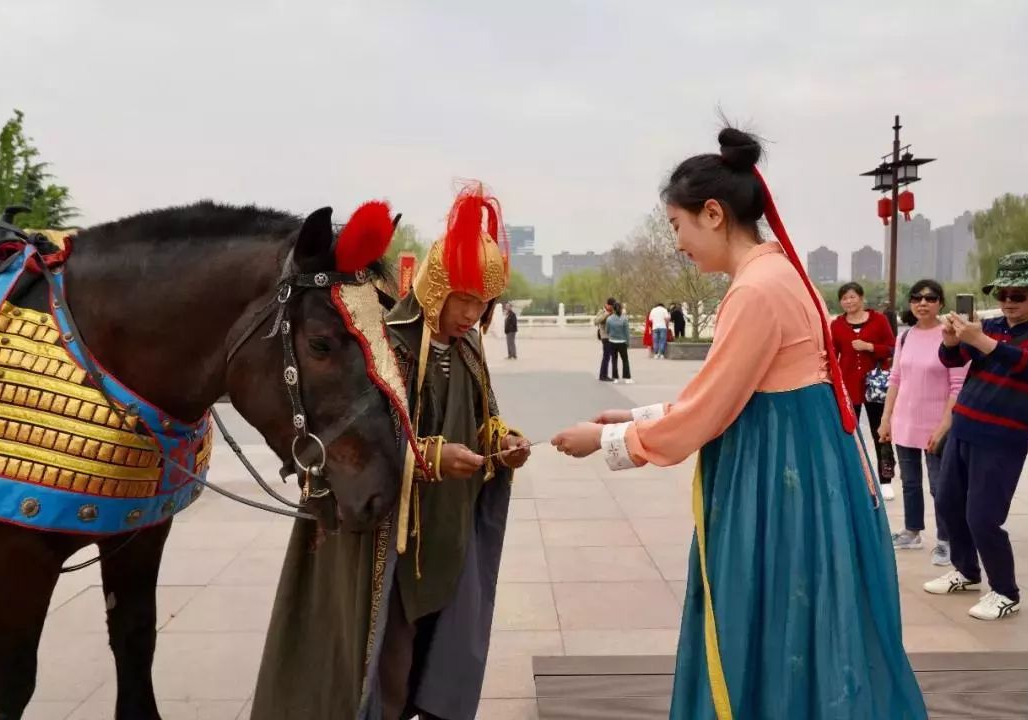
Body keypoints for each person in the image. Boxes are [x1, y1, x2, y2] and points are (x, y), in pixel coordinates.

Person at [551, 128, 925, 719]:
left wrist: (606, 439)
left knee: (770, 617)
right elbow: (738, 391)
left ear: (714, 213)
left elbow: (710, 412)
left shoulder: (754, 291)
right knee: (807, 626)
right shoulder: (781, 273)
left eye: (677, 226)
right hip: (809, 470)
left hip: (778, 482)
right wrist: (639, 414)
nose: (677, 243)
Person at [251, 182, 532, 720]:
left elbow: (482, 417)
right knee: (387, 669)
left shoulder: (469, 348)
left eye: (482, 302)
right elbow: (356, 445)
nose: (473, 313)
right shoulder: (386, 346)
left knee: (438, 654)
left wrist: (502, 443)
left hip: (447, 528)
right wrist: (428, 458)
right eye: (464, 299)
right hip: (387, 537)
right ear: (435, 289)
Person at [924, 252, 1028, 621]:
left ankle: (1005, 592)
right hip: (965, 427)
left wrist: (982, 341)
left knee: (983, 517)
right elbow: (953, 361)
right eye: (1003, 294)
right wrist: (950, 340)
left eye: (1017, 295)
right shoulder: (989, 326)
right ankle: (966, 570)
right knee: (947, 502)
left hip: (1003, 437)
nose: (1007, 302)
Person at [878, 280, 967, 564]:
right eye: (917, 298)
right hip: (905, 420)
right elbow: (895, 379)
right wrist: (886, 419)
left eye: (930, 298)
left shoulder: (951, 335)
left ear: (941, 302)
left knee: (940, 486)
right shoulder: (905, 337)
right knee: (911, 483)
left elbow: (958, 387)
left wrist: (944, 426)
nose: (922, 303)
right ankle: (912, 531)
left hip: (937, 425)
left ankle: (946, 539)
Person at [831, 282, 897, 499]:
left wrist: (870, 347)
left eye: (852, 297)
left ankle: (886, 479)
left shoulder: (879, 320)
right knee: (849, 432)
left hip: (875, 386)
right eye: (844, 298)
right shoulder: (837, 325)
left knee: (881, 431)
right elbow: (832, 354)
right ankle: (853, 477)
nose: (848, 301)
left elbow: (892, 348)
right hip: (849, 387)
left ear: (861, 298)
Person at [606, 301, 633, 384]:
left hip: (612, 342)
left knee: (614, 360)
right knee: (625, 360)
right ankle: (627, 378)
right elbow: (627, 332)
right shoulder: (624, 319)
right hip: (622, 342)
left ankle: (615, 378)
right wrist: (628, 342)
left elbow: (607, 330)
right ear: (621, 309)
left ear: (613, 309)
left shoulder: (609, 319)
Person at [595, 296, 617, 380]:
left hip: (612, 336)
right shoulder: (602, 311)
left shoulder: (614, 311)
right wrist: (607, 314)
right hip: (605, 336)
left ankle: (604, 375)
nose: (612, 308)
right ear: (607, 305)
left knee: (608, 356)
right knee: (606, 356)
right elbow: (596, 321)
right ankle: (603, 375)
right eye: (611, 306)